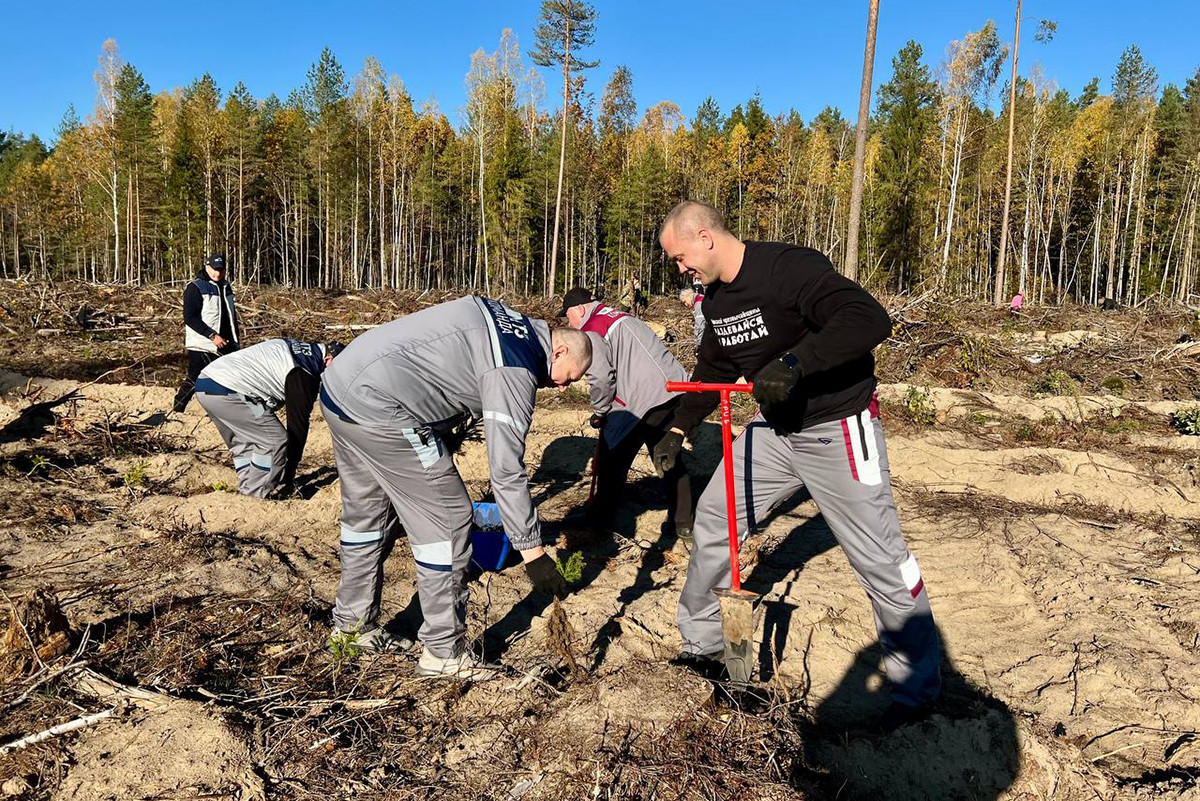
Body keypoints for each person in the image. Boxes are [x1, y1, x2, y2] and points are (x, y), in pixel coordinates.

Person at [654, 201, 941, 727]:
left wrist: (795, 363)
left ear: (704, 235)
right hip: (775, 432)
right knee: (716, 518)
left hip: (838, 427)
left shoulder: (789, 268)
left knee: (881, 558)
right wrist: (679, 426)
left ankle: (917, 694)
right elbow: (713, 366)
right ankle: (703, 645)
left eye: (679, 257)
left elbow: (868, 318)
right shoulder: (716, 302)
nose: (680, 269)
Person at [319, 296, 592, 678]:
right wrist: (533, 552)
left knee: (367, 518)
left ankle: (351, 628)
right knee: (448, 520)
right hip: (384, 407)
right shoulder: (516, 364)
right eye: (571, 376)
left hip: (341, 388)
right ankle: (444, 653)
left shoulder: (509, 319)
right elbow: (506, 471)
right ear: (558, 349)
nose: (563, 388)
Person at [560, 287, 693, 542]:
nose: (569, 323)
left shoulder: (593, 329)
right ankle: (684, 522)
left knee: (612, 461)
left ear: (579, 309)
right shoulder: (621, 317)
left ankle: (600, 522)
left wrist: (600, 411)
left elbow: (601, 377)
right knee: (667, 456)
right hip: (671, 391)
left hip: (636, 401)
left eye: (568, 316)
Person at [194, 338, 343, 499]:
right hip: (231, 391)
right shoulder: (304, 372)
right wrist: (291, 465)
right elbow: (297, 422)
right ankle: (254, 496)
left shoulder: (298, 349)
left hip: (206, 383)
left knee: (245, 444)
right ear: (328, 359)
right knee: (274, 440)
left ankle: (244, 490)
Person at [173, 254, 240, 413]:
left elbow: (231, 316)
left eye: (221, 270)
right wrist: (212, 336)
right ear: (207, 267)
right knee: (194, 379)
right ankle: (178, 409)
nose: (218, 273)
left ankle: (224, 412)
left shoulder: (226, 287)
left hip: (227, 342)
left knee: (231, 379)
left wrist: (235, 340)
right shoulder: (195, 287)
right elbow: (190, 318)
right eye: (215, 270)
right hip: (202, 345)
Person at [679, 283, 706, 351]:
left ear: (688, 296)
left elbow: (700, 326)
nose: (685, 304)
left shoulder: (698, 304)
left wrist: (698, 344)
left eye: (685, 301)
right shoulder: (701, 297)